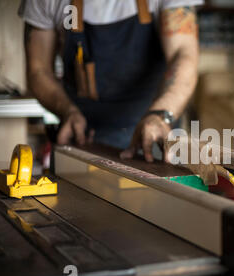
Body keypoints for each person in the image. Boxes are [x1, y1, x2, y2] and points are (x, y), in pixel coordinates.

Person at [19, 0, 202, 162]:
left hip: (152, 132)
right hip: (82, 138)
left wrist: (162, 115)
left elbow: (183, 56)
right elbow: (38, 70)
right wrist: (67, 111)